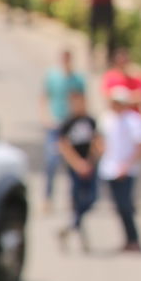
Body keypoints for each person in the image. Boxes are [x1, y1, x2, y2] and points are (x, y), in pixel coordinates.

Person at [99, 86, 141, 253]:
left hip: (128, 169)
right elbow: (100, 141)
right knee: (118, 206)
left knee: (126, 205)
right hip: (110, 168)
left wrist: (126, 165)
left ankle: (134, 238)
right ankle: (128, 239)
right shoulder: (106, 119)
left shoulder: (134, 119)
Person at [42, 48, 87, 210]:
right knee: (51, 162)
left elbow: (83, 100)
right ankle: (48, 197)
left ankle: (72, 198)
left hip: (71, 125)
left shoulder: (78, 79)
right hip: (55, 125)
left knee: (72, 163)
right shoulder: (53, 76)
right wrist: (45, 118)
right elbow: (44, 97)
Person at [56, 89, 101, 251]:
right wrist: (78, 164)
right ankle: (81, 237)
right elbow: (64, 146)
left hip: (90, 166)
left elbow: (97, 142)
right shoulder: (68, 123)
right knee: (76, 201)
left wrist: (90, 161)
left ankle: (71, 227)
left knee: (92, 198)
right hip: (75, 168)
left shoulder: (90, 121)